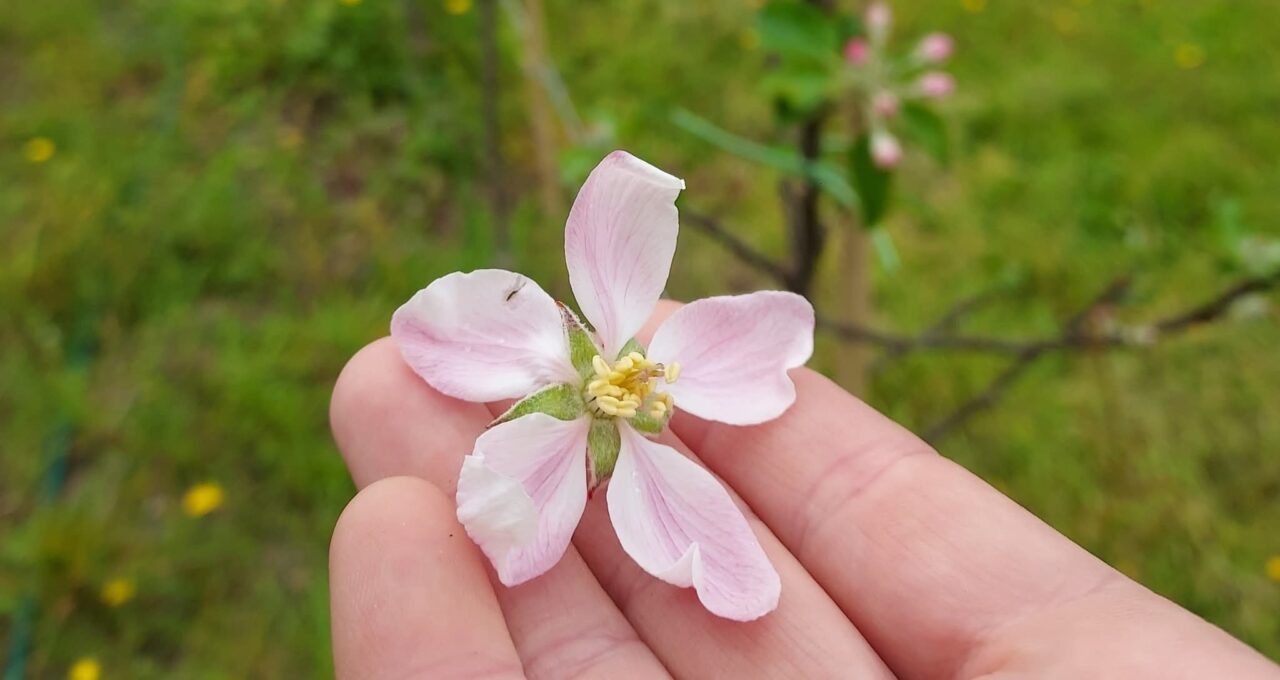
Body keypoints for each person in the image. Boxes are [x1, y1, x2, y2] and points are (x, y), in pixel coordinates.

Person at [327, 302, 1280, 679]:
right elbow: (438, 338)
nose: (625, 381)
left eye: (633, 381)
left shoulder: (648, 413)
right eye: (622, 379)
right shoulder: (566, 410)